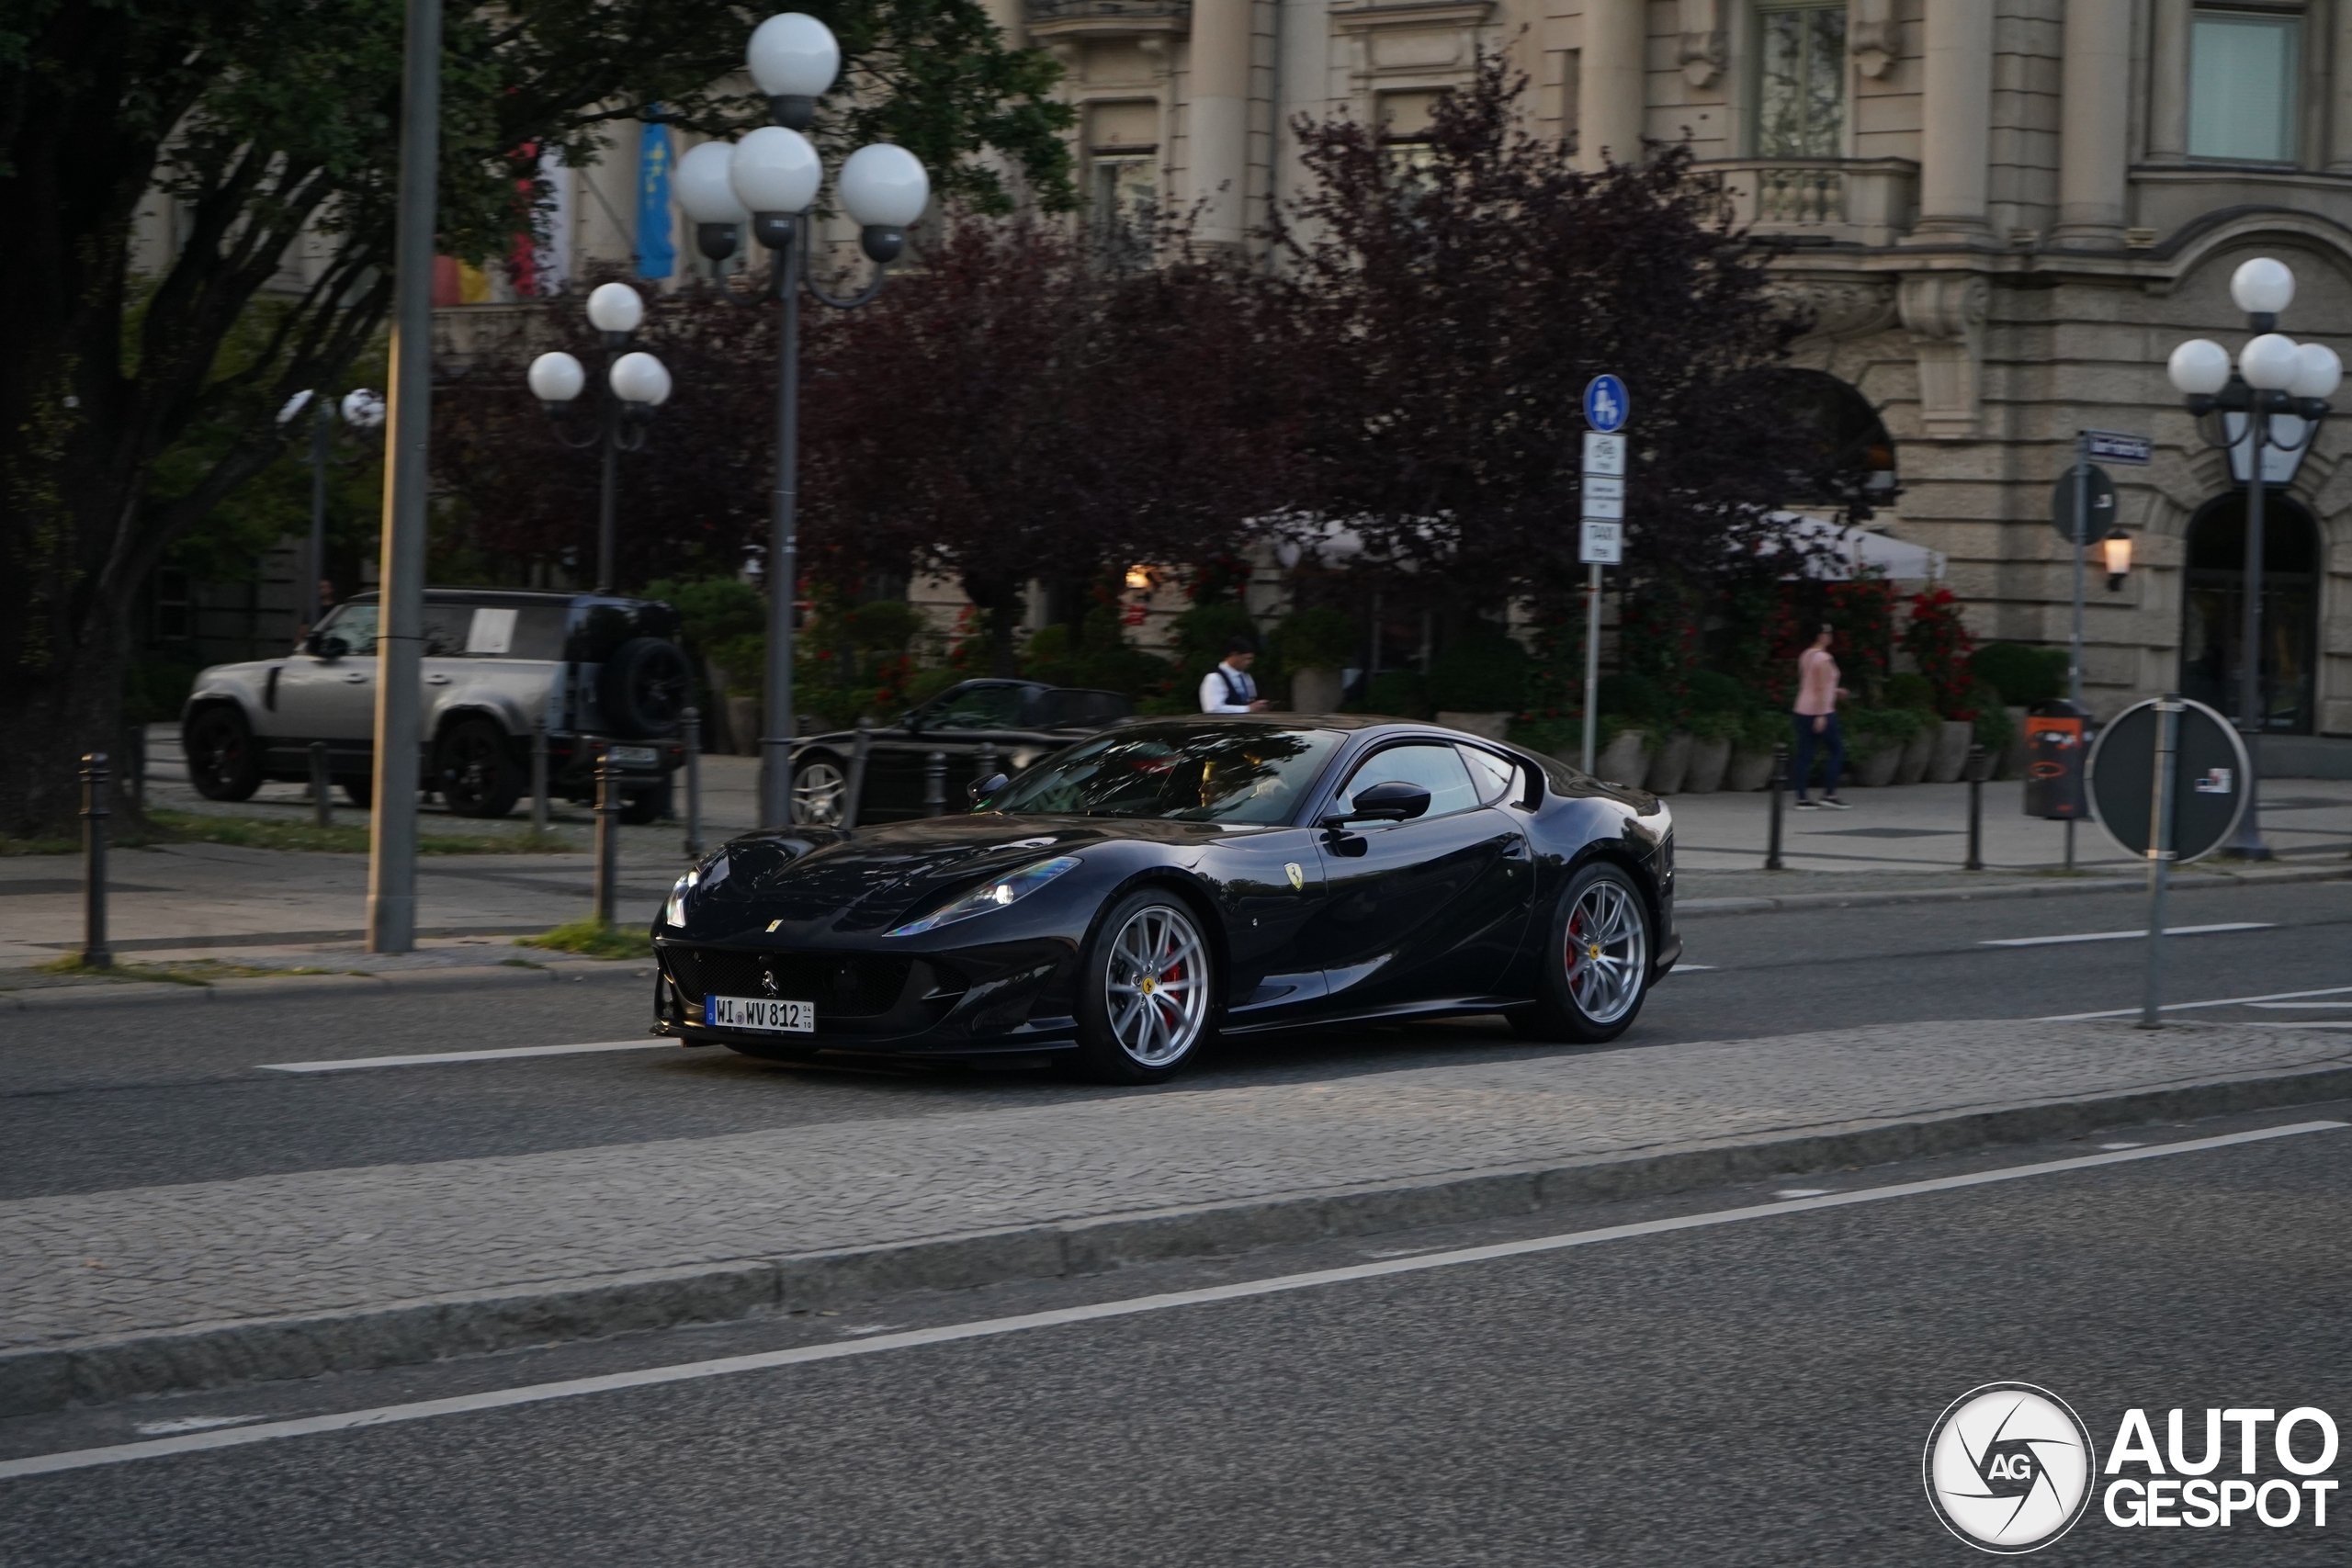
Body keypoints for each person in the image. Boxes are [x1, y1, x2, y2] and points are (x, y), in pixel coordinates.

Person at [1792, 622, 1852, 810]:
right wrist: (1820, 715)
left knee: (1805, 753)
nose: (1830, 635)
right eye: (1827, 632)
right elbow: (1820, 689)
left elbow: (1813, 684)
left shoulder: (1806, 655)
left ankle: (1802, 798)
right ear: (1820, 635)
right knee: (1836, 750)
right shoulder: (1824, 659)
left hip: (1801, 709)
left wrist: (1835, 691)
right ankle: (1829, 794)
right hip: (1822, 710)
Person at [1199, 637, 1271, 713]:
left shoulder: (1246, 677)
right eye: (1247, 658)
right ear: (1234, 655)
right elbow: (1213, 709)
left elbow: (1251, 699)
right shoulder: (1214, 678)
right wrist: (1247, 709)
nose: (1251, 662)